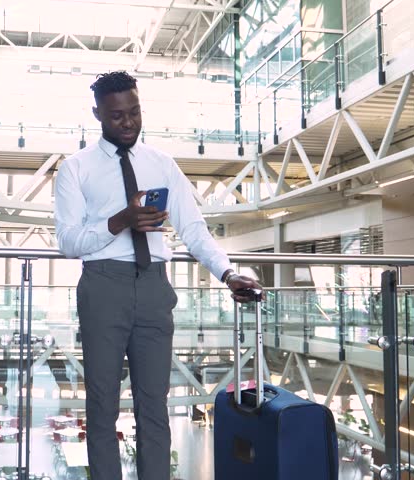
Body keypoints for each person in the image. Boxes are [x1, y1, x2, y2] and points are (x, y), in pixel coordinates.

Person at [54, 71, 263, 479]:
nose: (128, 122)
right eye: (117, 116)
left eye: (134, 112)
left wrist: (227, 273)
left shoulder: (161, 164)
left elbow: (194, 229)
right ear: (97, 114)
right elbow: (68, 241)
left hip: (154, 289)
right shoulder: (75, 169)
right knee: (102, 407)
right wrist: (121, 220)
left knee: (155, 407)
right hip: (102, 288)